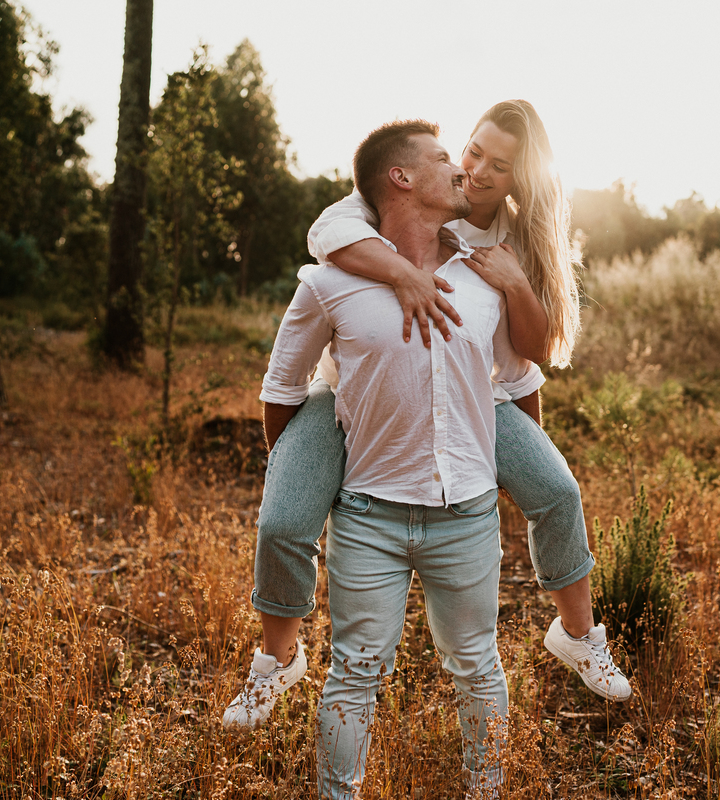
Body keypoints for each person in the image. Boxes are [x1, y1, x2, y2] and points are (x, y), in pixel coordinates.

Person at [223, 101, 629, 736]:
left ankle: (578, 635)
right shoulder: (383, 203)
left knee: (556, 488)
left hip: (476, 399)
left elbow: (526, 361)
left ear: (523, 179)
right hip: (351, 397)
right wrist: (404, 275)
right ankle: (278, 655)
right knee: (283, 517)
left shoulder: (513, 240)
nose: (476, 171)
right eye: (471, 152)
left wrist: (515, 451)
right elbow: (326, 240)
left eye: (500, 166)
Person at [261, 119, 520, 796]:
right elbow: (282, 389)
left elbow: (519, 383)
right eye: (442, 158)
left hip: (465, 515)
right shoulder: (330, 283)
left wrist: (525, 481)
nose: (460, 168)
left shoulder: (483, 278)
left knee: (477, 668)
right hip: (368, 517)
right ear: (400, 178)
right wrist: (299, 483)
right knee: (356, 672)